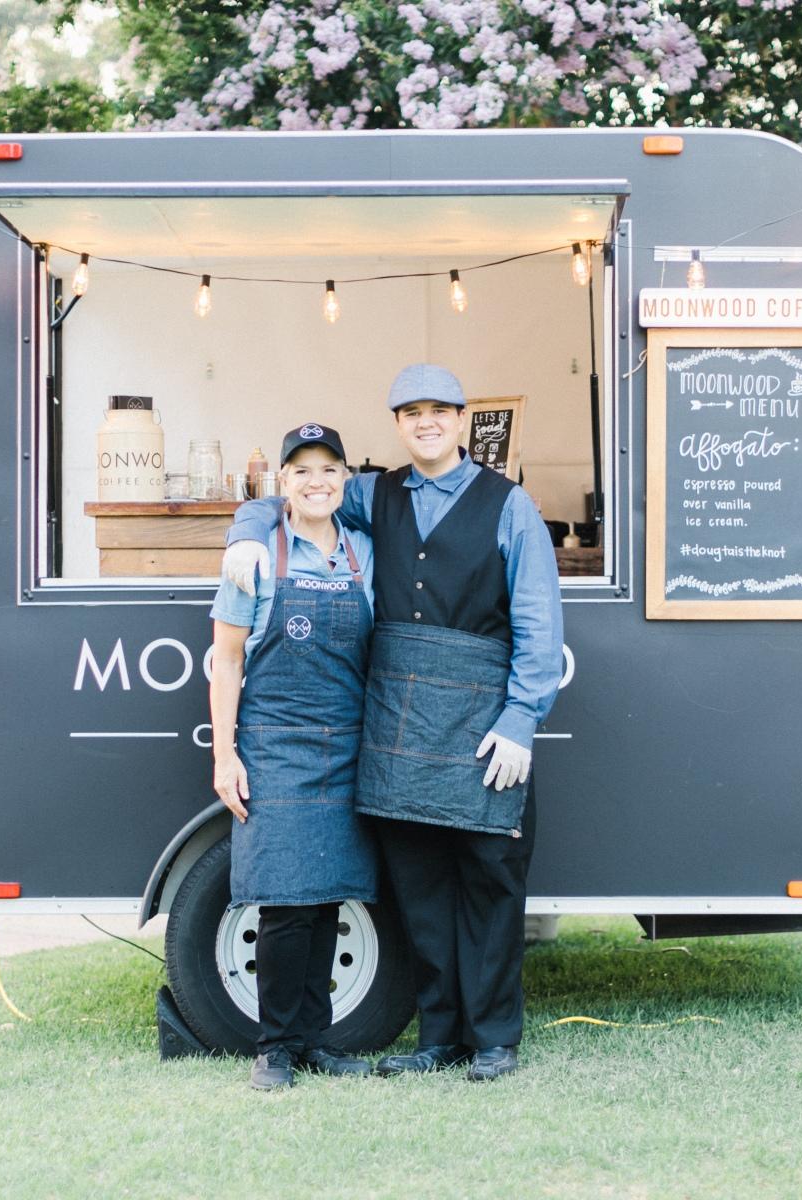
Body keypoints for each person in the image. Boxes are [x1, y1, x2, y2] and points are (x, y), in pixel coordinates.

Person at [222, 364, 564, 1082]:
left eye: (439, 409)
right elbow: (297, 496)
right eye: (411, 412)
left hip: (482, 722)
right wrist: (247, 531)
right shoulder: (373, 493)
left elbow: (540, 622)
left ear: (462, 419)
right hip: (397, 728)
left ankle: (493, 1039)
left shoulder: (510, 506)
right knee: (422, 892)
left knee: (491, 883)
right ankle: (440, 1038)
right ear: (398, 425)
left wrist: (520, 719)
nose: (426, 422)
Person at [209, 422, 380, 1092]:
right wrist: (225, 755)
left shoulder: (365, 552)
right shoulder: (254, 556)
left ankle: (316, 1041)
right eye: (302, 470)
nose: (316, 482)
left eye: (328, 469)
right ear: (283, 480)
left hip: (346, 743)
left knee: (328, 895)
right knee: (284, 900)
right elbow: (227, 660)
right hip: (275, 745)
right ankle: (275, 1047)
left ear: (345, 479)